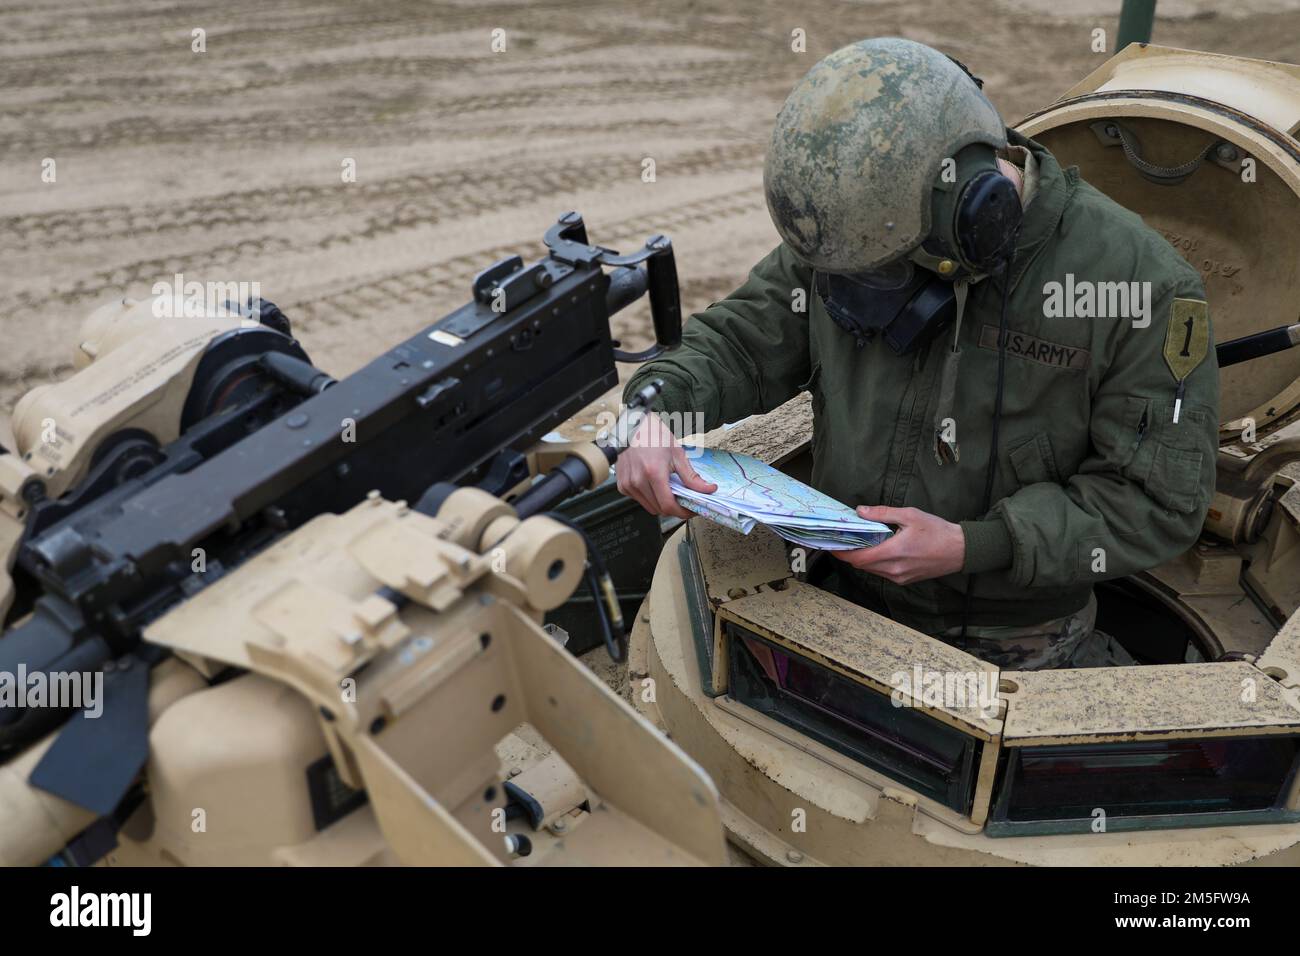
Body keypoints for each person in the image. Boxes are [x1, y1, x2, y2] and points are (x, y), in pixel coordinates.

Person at [617, 37, 1219, 670]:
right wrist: (654, 410)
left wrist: (973, 544)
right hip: (837, 596)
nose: (861, 288)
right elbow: (740, 340)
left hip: (1014, 643)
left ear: (974, 212)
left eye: (885, 272)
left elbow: (1156, 502)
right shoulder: (859, 222)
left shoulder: (1139, 285)